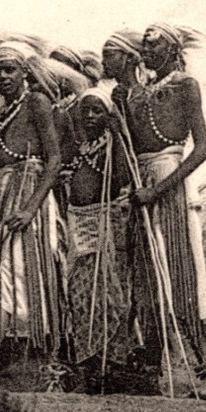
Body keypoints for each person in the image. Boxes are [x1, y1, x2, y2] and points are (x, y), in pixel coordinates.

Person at [124, 22, 206, 373]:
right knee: (147, 269)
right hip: (141, 183)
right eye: (144, 46)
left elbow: (202, 150)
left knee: (180, 267)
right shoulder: (138, 91)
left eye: (155, 45)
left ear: (173, 49)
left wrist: (158, 190)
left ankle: (204, 362)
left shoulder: (185, 85)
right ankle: (154, 360)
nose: (147, 51)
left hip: (167, 181)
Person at [0, 40, 65, 378]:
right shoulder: (1, 113)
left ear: (25, 72)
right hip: (5, 199)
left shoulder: (37, 103)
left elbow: (54, 161)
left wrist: (28, 210)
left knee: (28, 275)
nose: (3, 77)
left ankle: (39, 361)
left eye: (9, 69)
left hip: (29, 198)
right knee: (2, 275)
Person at [61, 85, 135, 385]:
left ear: (109, 116)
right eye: (85, 111)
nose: (90, 116)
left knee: (107, 294)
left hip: (106, 221)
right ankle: (88, 362)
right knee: (80, 294)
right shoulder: (78, 148)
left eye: (97, 111)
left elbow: (120, 178)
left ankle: (111, 365)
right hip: (78, 225)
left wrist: (118, 134)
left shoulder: (112, 145)